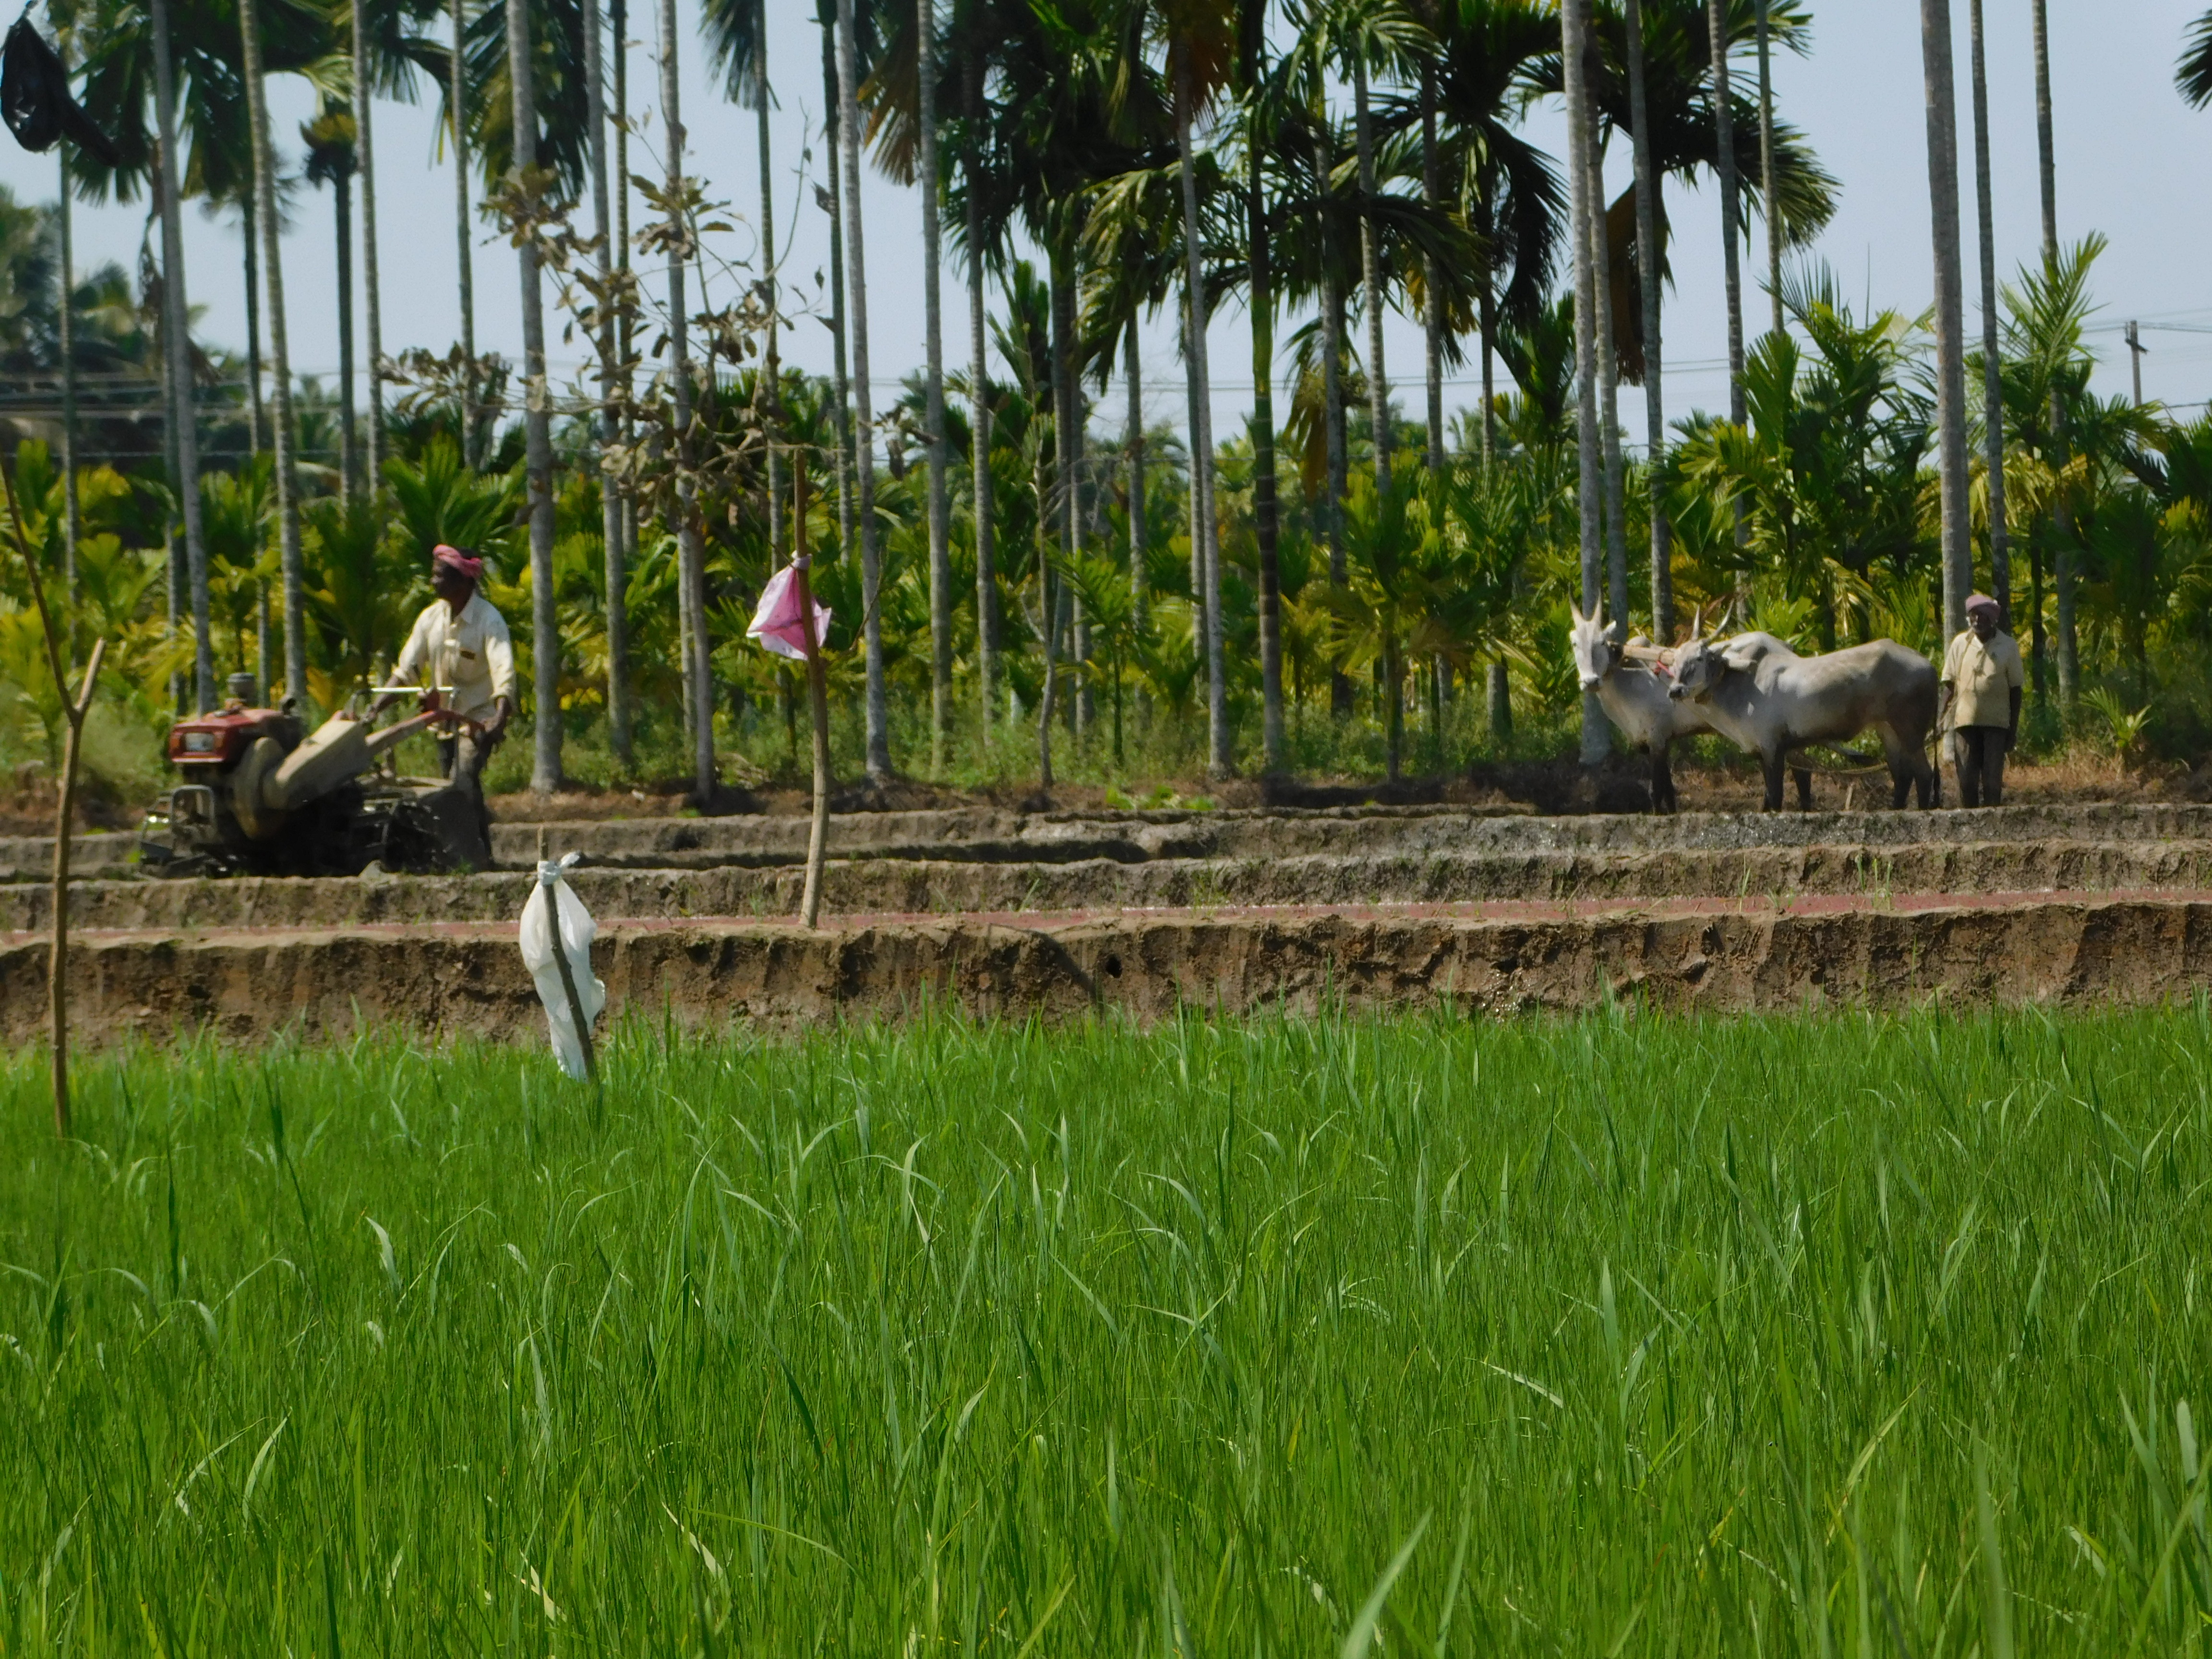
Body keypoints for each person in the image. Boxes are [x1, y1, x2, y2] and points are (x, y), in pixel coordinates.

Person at [375, 544, 515, 813]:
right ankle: (474, 850)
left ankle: (476, 852)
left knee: (462, 781)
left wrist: (499, 718)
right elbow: (407, 670)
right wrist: (375, 708)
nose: (433, 581)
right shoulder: (430, 618)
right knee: (449, 791)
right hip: (443, 720)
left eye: (440, 576)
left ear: (463, 580)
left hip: (477, 718)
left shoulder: (489, 620)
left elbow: (503, 671)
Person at [1940, 593, 2023, 807]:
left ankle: (1993, 825)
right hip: (1965, 722)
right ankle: (1969, 825)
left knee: (1992, 780)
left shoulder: (2008, 646)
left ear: (1993, 619)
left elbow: (2016, 690)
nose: (1978, 620)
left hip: (1996, 724)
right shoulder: (1960, 643)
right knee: (1966, 779)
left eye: (1983, 616)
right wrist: (1940, 718)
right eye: (1974, 616)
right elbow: (1949, 684)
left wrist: (2012, 729)